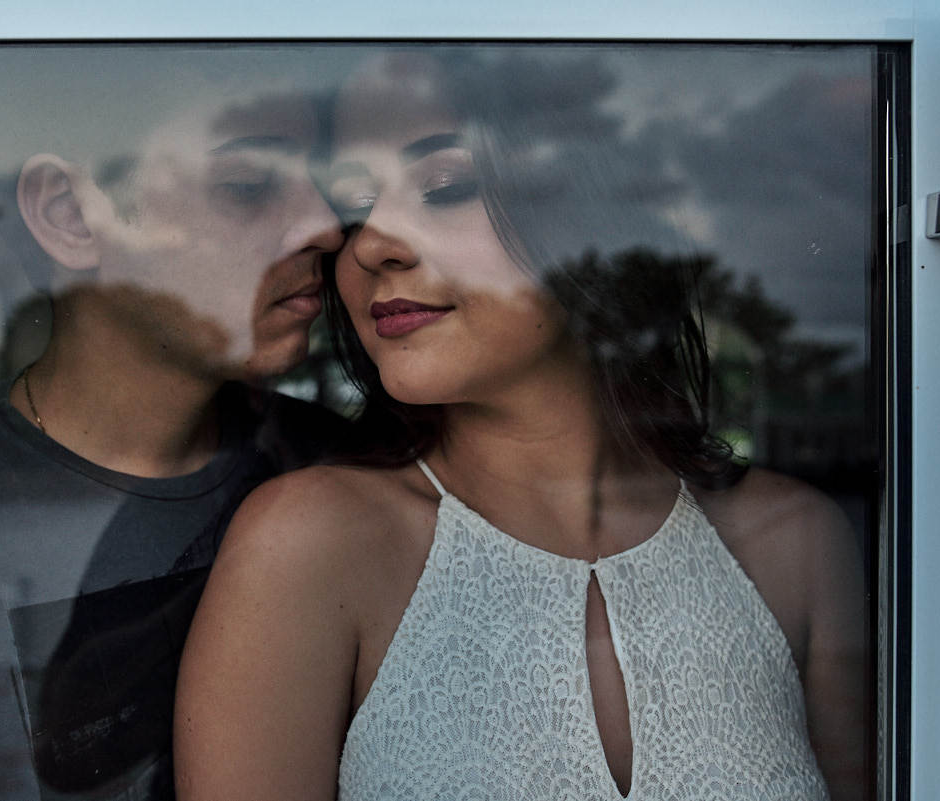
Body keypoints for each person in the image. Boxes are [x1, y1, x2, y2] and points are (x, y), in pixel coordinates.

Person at [175, 50, 867, 801]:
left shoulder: (796, 545)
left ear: (589, 205)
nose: (371, 244)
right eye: (355, 203)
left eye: (444, 186)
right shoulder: (307, 545)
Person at [0, 47, 346, 801]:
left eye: (326, 180)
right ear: (69, 215)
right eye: (249, 184)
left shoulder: (347, 475)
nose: (324, 225)